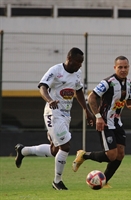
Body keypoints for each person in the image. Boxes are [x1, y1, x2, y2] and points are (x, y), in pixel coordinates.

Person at [15, 47, 94, 190]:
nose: (80, 65)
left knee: (54, 151)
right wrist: (50, 100)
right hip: (53, 113)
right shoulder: (56, 71)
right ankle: (57, 181)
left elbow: (78, 91)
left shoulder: (77, 73)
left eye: (81, 62)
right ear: (69, 59)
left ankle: (23, 151)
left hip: (66, 115)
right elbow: (42, 87)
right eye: (78, 62)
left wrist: (86, 110)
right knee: (65, 147)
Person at [72, 55, 131, 187]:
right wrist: (98, 117)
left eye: (125, 67)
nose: (123, 70)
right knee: (111, 155)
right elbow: (91, 97)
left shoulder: (129, 83)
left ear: (129, 68)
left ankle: (103, 181)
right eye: (120, 67)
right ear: (115, 67)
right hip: (105, 122)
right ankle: (84, 155)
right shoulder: (107, 82)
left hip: (117, 123)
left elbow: (129, 103)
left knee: (120, 154)